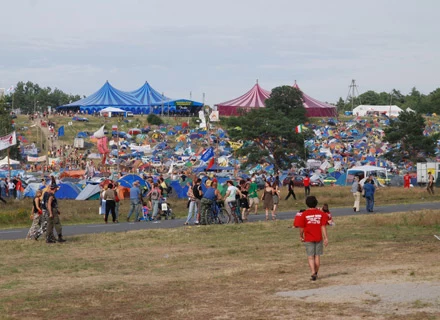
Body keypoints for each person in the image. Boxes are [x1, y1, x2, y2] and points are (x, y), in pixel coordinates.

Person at [293, 196, 329, 281]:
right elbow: (323, 226)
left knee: (310, 257)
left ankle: (313, 272)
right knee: (317, 256)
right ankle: (316, 273)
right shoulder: (321, 214)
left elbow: (301, 227)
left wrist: (301, 235)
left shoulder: (304, 214)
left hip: (308, 237)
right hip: (318, 237)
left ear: (307, 204)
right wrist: (326, 238)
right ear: (316, 203)